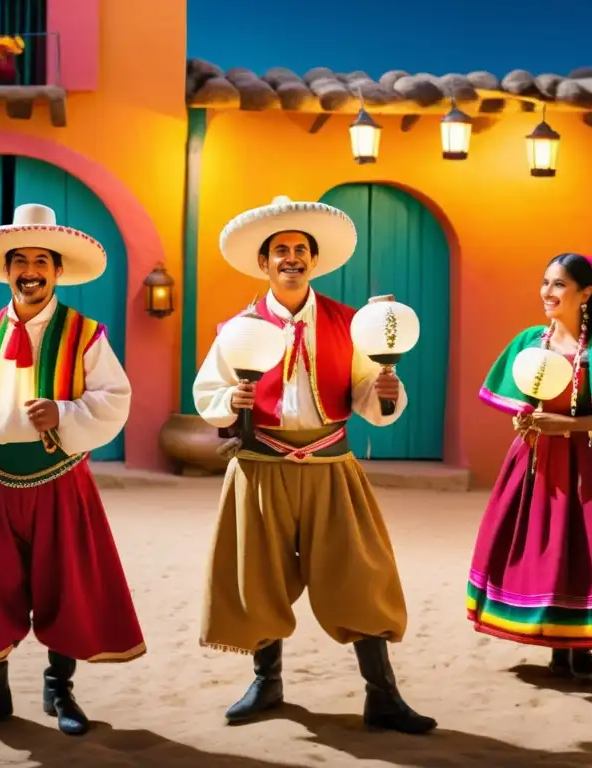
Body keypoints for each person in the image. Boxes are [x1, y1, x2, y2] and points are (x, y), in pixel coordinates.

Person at [192, 196, 437, 735]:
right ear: (265, 264)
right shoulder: (237, 329)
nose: (292, 258)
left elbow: (371, 396)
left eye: (301, 250)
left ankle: (383, 696)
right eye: (281, 250)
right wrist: (228, 401)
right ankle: (267, 683)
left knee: (361, 574)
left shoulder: (352, 324)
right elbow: (208, 389)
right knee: (260, 577)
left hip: (331, 466)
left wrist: (385, 390)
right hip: (261, 466)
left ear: (314, 262)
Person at [0, 203, 146, 734]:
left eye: (40, 261)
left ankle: (59, 692)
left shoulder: (87, 333)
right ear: (7, 270)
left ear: (57, 270)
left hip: (59, 480)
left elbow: (115, 399)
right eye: (19, 261)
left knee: (64, 586)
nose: (30, 271)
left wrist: (64, 413)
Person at [468, 252, 592, 682]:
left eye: (559, 284)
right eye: (545, 282)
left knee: (584, 548)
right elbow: (521, 399)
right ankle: (555, 643)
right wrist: (525, 421)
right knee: (539, 549)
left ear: (585, 293)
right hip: (535, 462)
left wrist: (570, 425)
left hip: (588, 463)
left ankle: (581, 645)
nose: (547, 292)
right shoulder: (529, 342)